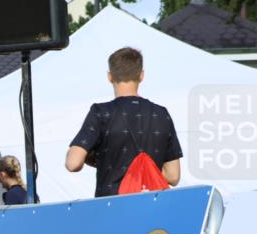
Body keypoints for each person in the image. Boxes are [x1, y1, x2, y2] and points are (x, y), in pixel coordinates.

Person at [66, 46, 182, 197]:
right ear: (141, 76)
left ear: (110, 76)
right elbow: (173, 176)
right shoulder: (161, 114)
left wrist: (100, 160)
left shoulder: (101, 113)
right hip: (153, 207)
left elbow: (73, 163)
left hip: (112, 208)